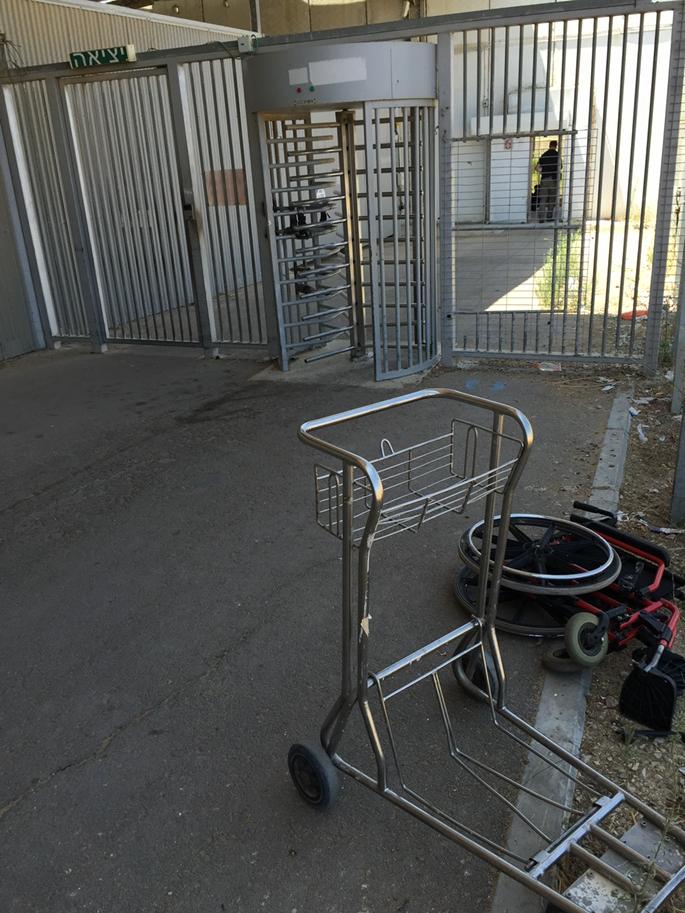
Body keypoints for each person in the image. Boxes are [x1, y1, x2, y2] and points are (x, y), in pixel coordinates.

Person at [536, 140, 561, 222]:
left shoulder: (544, 155)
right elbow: (560, 167)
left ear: (549, 145)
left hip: (544, 179)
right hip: (553, 180)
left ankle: (541, 218)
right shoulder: (557, 155)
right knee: (552, 199)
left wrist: (542, 172)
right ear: (556, 146)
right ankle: (549, 217)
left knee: (543, 199)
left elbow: (537, 168)